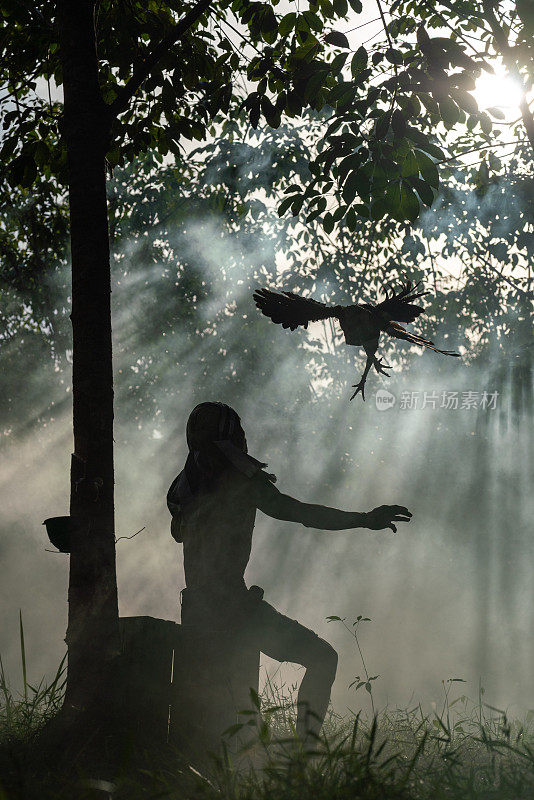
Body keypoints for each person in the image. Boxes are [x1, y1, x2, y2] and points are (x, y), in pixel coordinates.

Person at [167, 402, 412, 741]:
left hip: (196, 609)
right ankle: (303, 759)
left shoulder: (183, 488)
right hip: (235, 610)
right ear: (232, 438)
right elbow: (298, 512)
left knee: (226, 716)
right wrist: (363, 519)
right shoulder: (240, 480)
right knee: (323, 658)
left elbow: (180, 532)